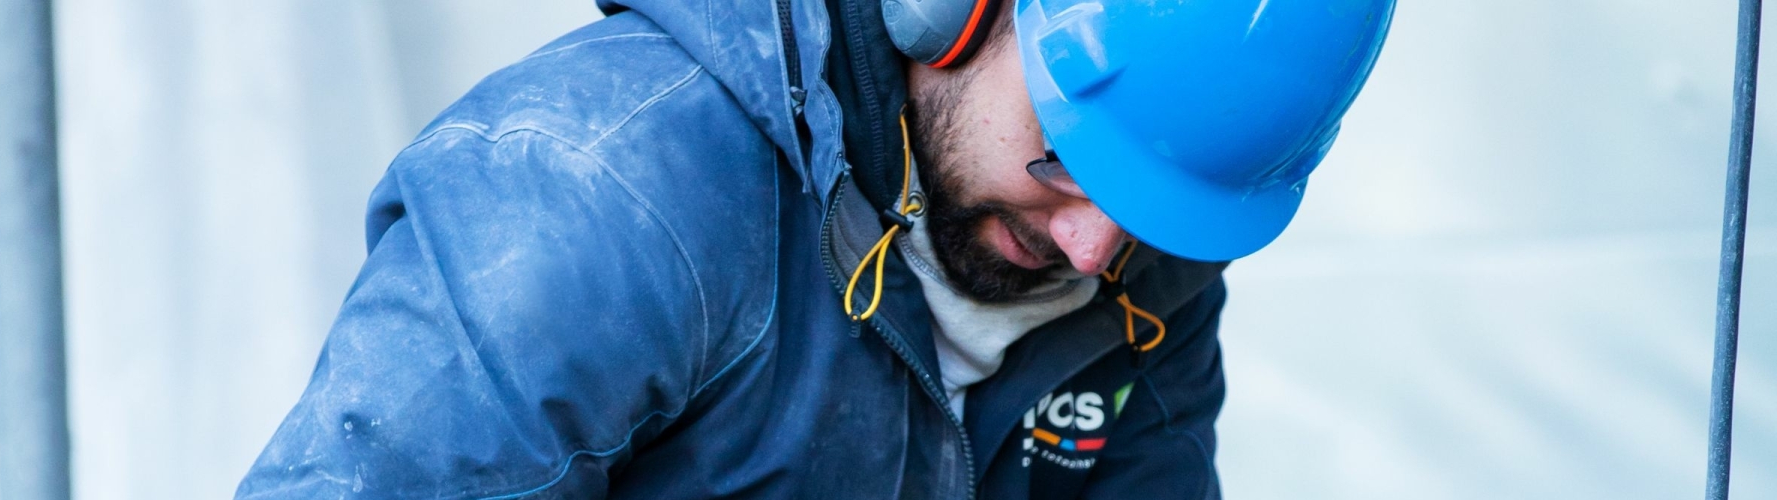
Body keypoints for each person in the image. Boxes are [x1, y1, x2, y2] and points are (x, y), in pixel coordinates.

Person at [235, 0, 1393, 498]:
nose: (1093, 249)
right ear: (953, 14)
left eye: (1145, 212)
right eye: (1064, 160)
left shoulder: (1145, 262)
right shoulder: (598, 194)